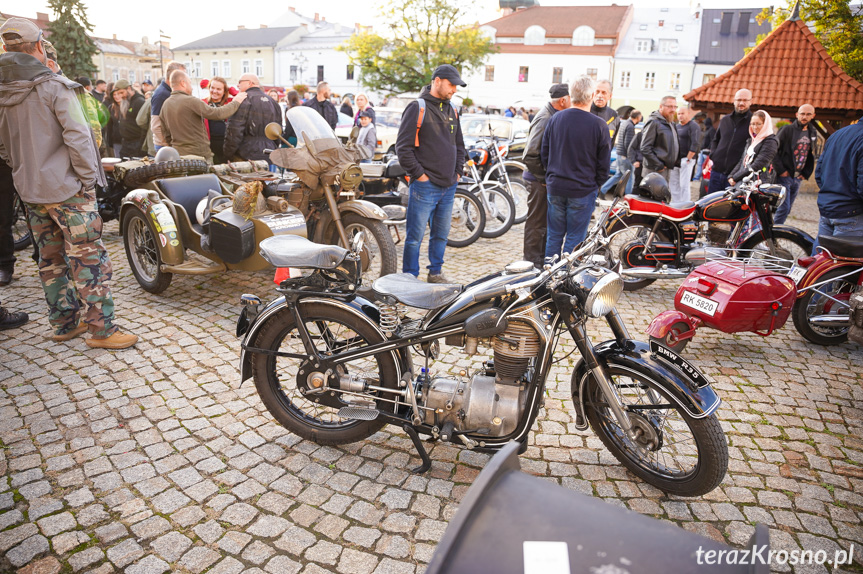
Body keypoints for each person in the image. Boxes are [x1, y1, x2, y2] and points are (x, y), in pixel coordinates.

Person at [0, 17, 137, 349]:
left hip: (30, 188)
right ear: (37, 47)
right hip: (67, 189)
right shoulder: (55, 87)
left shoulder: (4, 93)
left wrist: (23, 170)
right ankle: (101, 331)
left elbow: (3, 147)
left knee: (49, 258)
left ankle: (64, 323)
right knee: (89, 257)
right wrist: (87, 181)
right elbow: (79, 138)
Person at [395, 64, 466, 283]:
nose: (454, 89)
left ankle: (435, 272)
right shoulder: (417, 107)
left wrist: (458, 172)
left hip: (449, 185)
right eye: (451, 84)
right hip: (425, 186)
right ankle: (410, 277)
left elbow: (460, 145)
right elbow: (403, 148)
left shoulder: (452, 109)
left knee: (441, 235)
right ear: (437, 81)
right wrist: (420, 175)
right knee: (415, 237)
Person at [541, 76, 611, 259]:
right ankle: (564, 278)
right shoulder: (599, 125)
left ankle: (549, 277)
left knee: (554, 235)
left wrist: (550, 176)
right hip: (582, 189)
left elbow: (544, 153)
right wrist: (595, 184)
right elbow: (604, 164)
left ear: (571, 96)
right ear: (591, 96)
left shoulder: (556, 119)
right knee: (575, 237)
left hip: (556, 186)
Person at [521, 83, 571, 269]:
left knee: (543, 223)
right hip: (537, 180)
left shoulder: (553, 114)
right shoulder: (545, 117)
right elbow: (530, 155)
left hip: (542, 179)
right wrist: (543, 179)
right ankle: (531, 263)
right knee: (536, 223)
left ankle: (539, 260)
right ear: (563, 100)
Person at [160, 71, 246, 163]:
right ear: (183, 83)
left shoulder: (165, 104)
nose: (192, 86)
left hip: (179, 155)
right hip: (199, 156)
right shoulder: (191, 101)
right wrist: (236, 102)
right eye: (190, 82)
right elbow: (216, 114)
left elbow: (166, 134)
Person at [814, 116, 863, 240]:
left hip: (828, 208)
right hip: (852, 213)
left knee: (822, 257)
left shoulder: (838, 134)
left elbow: (819, 172)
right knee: (847, 259)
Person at [773, 104, 817, 224]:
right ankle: (772, 235)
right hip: (784, 176)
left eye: (808, 114)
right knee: (784, 208)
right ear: (797, 114)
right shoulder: (787, 130)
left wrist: (806, 173)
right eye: (802, 114)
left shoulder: (812, 132)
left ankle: (773, 230)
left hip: (798, 177)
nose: (804, 116)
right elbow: (773, 150)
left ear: (813, 116)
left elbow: (810, 154)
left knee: (787, 209)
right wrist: (781, 171)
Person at [223, 73, 281, 163]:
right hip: (268, 154)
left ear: (250, 83)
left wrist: (228, 154)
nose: (238, 85)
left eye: (240, 82)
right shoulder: (273, 102)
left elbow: (234, 131)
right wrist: (273, 146)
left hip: (245, 155)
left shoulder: (242, 100)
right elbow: (277, 132)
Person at [708, 88, 753, 193]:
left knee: (731, 207)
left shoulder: (753, 122)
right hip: (716, 172)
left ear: (751, 102)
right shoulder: (725, 120)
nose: (741, 103)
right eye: (738, 100)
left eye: (745, 100)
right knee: (711, 205)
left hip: (735, 176)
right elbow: (716, 140)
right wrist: (713, 155)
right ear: (734, 101)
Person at [727, 110, 777, 185]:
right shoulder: (752, 140)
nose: (755, 127)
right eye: (752, 124)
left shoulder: (771, 141)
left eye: (758, 124)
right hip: (744, 180)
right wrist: (731, 176)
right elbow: (742, 161)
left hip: (758, 183)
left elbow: (757, 164)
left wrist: (735, 177)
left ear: (766, 124)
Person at [600, 110, 641, 197]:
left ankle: (603, 190)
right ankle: (628, 197)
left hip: (620, 154)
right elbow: (628, 144)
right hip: (625, 156)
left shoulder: (625, 123)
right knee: (630, 177)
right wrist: (632, 158)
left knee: (618, 175)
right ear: (637, 117)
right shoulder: (630, 126)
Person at [640, 96, 679, 182]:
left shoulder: (670, 123)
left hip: (666, 169)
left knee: (663, 195)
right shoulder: (654, 121)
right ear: (661, 106)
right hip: (655, 170)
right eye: (669, 106)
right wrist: (658, 165)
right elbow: (645, 147)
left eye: (675, 107)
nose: (673, 109)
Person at [150, 61, 187, 152]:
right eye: (182, 75)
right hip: (165, 147)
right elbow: (156, 126)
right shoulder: (162, 94)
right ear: (172, 76)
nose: (185, 79)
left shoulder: (170, 91)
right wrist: (168, 145)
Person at [669, 104, 701, 203]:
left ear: (688, 114)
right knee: (673, 184)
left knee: (684, 185)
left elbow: (695, 142)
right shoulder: (677, 126)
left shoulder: (693, 125)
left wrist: (688, 158)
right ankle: (675, 203)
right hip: (675, 160)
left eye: (682, 113)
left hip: (686, 159)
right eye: (678, 114)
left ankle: (684, 204)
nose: (680, 116)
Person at [202, 76, 235, 164]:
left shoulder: (230, 102)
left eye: (219, 89)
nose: (215, 91)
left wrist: (231, 90)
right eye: (212, 88)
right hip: (210, 145)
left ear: (224, 91)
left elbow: (243, 97)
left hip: (227, 145)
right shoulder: (203, 103)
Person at [112, 79, 146, 157]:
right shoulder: (126, 101)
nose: (121, 96)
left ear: (129, 88)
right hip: (126, 144)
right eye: (118, 93)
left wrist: (141, 147)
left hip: (137, 144)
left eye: (122, 92)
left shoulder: (139, 102)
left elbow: (144, 126)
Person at [590, 80, 620, 145]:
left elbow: (611, 142)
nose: (599, 95)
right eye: (597, 92)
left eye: (604, 92)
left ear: (610, 96)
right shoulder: (584, 111)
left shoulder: (614, 116)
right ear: (593, 94)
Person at [106, 87, 126, 157]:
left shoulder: (128, 106)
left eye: (118, 94)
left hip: (127, 140)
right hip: (116, 140)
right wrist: (109, 140)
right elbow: (109, 126)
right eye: (114, 94)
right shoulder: (111, 108)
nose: (116, 96)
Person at [694, 116, 714, 182]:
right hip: (702, 150)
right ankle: (697, 178)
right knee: (699, 164)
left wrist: (710, 148)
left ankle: (703, 178)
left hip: (707, 151)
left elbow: (712, 140)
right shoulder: (707, 130)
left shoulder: (711, 130)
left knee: (705, 166)